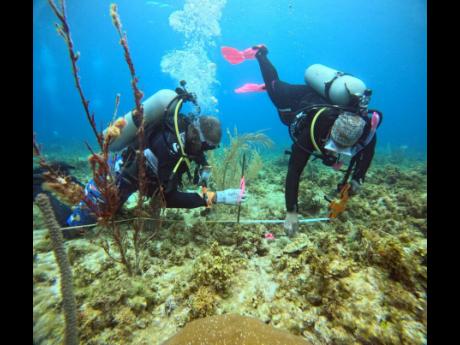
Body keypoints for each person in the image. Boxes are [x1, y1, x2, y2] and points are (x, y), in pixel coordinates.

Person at [35, 85, 247, 235]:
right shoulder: (170, 147)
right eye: (207, 147)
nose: (206, 152)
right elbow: (169, 198)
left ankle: (62, 176)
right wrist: (216, 197)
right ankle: (39, 188)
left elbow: (197, 168)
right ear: (197, 136)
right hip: (118, 176)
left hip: (128, 175)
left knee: (111, 213)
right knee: (76, 227)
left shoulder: (186, 135)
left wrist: (204, 181)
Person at [248, 45, 381, 236]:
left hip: (330, 101)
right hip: (299, 99)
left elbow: (368, 153)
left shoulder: (366, 131)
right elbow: (294, 171)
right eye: (333, 145)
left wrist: (358, 178)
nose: (336, 153)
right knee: (274, 88)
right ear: (328, 133)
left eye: (345, 150)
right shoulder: (314, 128)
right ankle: (261, 54)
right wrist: (291, 212)